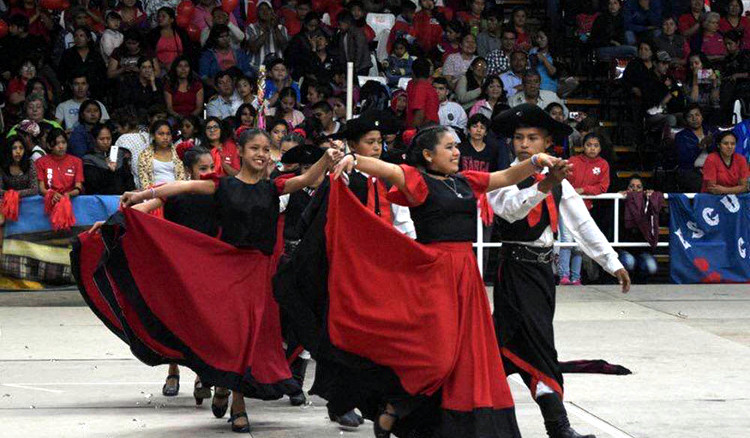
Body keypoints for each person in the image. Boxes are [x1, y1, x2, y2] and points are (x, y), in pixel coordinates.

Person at [316, 120, 563, 438]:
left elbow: (503, 177)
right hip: (434, 275)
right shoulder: (417, 180)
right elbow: (388, 170)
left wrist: (535, 162)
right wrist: (355, 159)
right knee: (438, 356)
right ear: (428, 155)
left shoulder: (466, 181)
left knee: (468, 357)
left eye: (457, 146)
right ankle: (396, 405)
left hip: (467, 276)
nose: (457, 151)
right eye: (449, 146)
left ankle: (451, 425)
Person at [108, 130, 342, 433]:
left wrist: (326, 157)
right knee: (232, 335)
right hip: (228, 269)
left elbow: (308, 179)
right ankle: (235, 400)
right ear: (241, 153)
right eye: (254, 148)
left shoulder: (274, 188)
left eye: (265, 149)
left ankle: (231, 394)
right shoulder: (224, 186)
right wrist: (141, 195)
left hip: (258, 274)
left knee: (248, 337)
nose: (261, 153)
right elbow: (182, 185)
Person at [487, 104, 630, 438]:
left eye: (532, 138)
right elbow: (508, 212)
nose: (524, 144)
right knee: (539, 347)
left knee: (508, 349)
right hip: (515, 270)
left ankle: (448, 412)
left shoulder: (558, 179)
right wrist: (542, 186)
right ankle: (558, 427)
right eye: (519, 138)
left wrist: (613, 263)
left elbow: (582, 223)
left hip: (542, 275)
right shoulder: (503, 178)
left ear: (546, 142)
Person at [558, 132, 611, 285]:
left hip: (584, 207)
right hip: (566, 205)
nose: (592, 149)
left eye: (595, 146)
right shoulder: (573, 161)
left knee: (579, 242)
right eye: (589, 145)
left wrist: (583, 190)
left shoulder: (603, 165)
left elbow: (603, 186)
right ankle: (563, 276)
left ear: (600, 148)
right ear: (583, 146)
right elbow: (562, 179)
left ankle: (576, 277)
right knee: (566, 240)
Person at [617, 176, 662, 282]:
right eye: (631, 186)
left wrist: (652, 197)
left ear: (644, 190)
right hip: (624, 249)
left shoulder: (647, 202)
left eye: (639, 187)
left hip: (643, 249)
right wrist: (619, 198)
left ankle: (639, 281)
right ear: (626, 188)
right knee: (629, 262)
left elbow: (655, 211)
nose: (635, 189)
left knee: (651, 267)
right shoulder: (620, 202)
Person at [83, 123, 135, 195]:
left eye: (108, 138)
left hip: (123, 197)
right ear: (94, 140)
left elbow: (128, 177)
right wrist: (110, 171)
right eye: (101, 139)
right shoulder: (89, 158)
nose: (106, 142)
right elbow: (93, 184)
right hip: (101, 198)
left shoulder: (118, 153)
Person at [675, 104, 717, 193]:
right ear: (686, 120)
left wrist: (710, 145)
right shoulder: (681, 136)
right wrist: (700, 146)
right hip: (692, 171)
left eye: (697, 115)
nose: (694, 119)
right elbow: (684, 160)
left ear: (702, 117)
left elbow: (721, 152)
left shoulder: (712, 131)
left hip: (714, 169)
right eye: (690, 116)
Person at [58, 26, 107, 100]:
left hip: (95, 92)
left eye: (81, 36)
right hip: (73, 92)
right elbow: (62, 73)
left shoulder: (95, 54)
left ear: (88, 38)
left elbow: (102, 73)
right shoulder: (68, 54)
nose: (78, 38)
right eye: (75, 36)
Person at [35, 128, 84, 203]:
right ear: (49, 145)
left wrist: (68, 194)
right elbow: (41, 189)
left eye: (63, 142)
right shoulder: (40, 162)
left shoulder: (77, 161)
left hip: (71, 202)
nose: (61, 146)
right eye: (57, 143)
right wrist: (52, 194)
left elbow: (78, 188)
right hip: (48, 202)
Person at [137, 120, 187, 189]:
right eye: (161, 134)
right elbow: (144, 182)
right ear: (153, 135)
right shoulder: (145, 155)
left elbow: (183, 179)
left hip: (176, 195)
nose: (165, 137)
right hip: (153, 195)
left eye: (168, 134)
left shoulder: (178, 153)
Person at [0, 135, 39, 224]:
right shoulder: (2, 166)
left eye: (21, 148)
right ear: (8, 150)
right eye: (14, 148)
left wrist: (13, 195)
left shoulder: (30, 164)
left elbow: (35, 189)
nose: (18, 151)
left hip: (28, 205)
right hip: (8, 207)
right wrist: (9, 195)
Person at [245, 0, 288, 71]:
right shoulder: (251, 27)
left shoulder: (281, 28)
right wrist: (268, 30)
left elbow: (285, 47)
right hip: (259, 67)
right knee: (261, 82)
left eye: (268, 9)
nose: (265, 12)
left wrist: (275, 28)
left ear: (272, 12)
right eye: (261, 9)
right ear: (257, 13)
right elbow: (254, 48)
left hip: (278, 67)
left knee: (280, 76)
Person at [718, 30, 750, 125]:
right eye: (725, 44)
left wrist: (738, 75)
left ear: (738, 43)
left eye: (730, 43)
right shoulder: (726, 60)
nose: (728, 47)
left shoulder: (746, 56)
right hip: (730, 91)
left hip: (745, 90)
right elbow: (721, 74)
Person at [333, 10, 372, 76]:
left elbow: (360, 51)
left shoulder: (358, 33)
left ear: (347, 23)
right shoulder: (342, 35)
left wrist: (355, 67)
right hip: (350, 67)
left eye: (340, 24)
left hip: (361, 67)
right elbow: (342, 52)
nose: (338, 27)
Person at [405, 58, 440, 128]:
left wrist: (413, 132)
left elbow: (419, 114)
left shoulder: (420, 87)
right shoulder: (429, 87)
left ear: (412, 72)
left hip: (423, 131)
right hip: (431, 128)